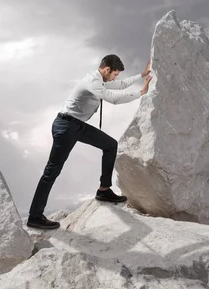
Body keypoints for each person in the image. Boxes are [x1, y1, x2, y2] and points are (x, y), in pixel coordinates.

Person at [26, 54, 153, 229]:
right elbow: (114, 99)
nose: (115, 78)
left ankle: (104, 190)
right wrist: (140, 93)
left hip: (76, 126)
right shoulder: (93, 81)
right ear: (107, 69)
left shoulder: (100, 80)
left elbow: (120, 85)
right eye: (115, 74)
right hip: (66, 127)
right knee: (52, 171)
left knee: (110, 145)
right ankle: (35, 216)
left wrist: (142, 75)